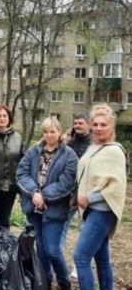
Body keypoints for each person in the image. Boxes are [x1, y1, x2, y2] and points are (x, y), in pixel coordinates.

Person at [60, 104, 127, 290]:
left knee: (80, 256)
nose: (99, 128)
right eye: (95, 124)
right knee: (101, 258)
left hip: (102, 211)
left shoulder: (114, 151)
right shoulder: (93, 148)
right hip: (90, 210)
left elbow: (115, 187)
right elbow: (86, 175)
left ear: (111, 127)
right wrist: (77, 196)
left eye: (103, 125)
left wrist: (89, 197)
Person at [17, 117, 77, 290]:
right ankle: (45, 283)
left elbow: (67, 182)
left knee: (52, 249)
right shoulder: (34, 151)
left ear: (59, 132)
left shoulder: (69, 155)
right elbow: (22, 173)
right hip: (34, 208)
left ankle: (64, 283)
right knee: (41, 249)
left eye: (52, 131)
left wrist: (45, 196)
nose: (49, 135)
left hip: (55, 208)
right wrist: (35, 193)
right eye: (45, 132)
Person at [63, 112, 92, 279]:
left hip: (85, 193)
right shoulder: (70, 142)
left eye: (81, 123)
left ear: (88, 125)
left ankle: (78, 265)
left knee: (84, 230)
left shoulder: (93, 143)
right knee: (62, 226)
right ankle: (58, 260)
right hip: (68, 191)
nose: (78, 126)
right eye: (75, 123)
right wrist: (65, 141)